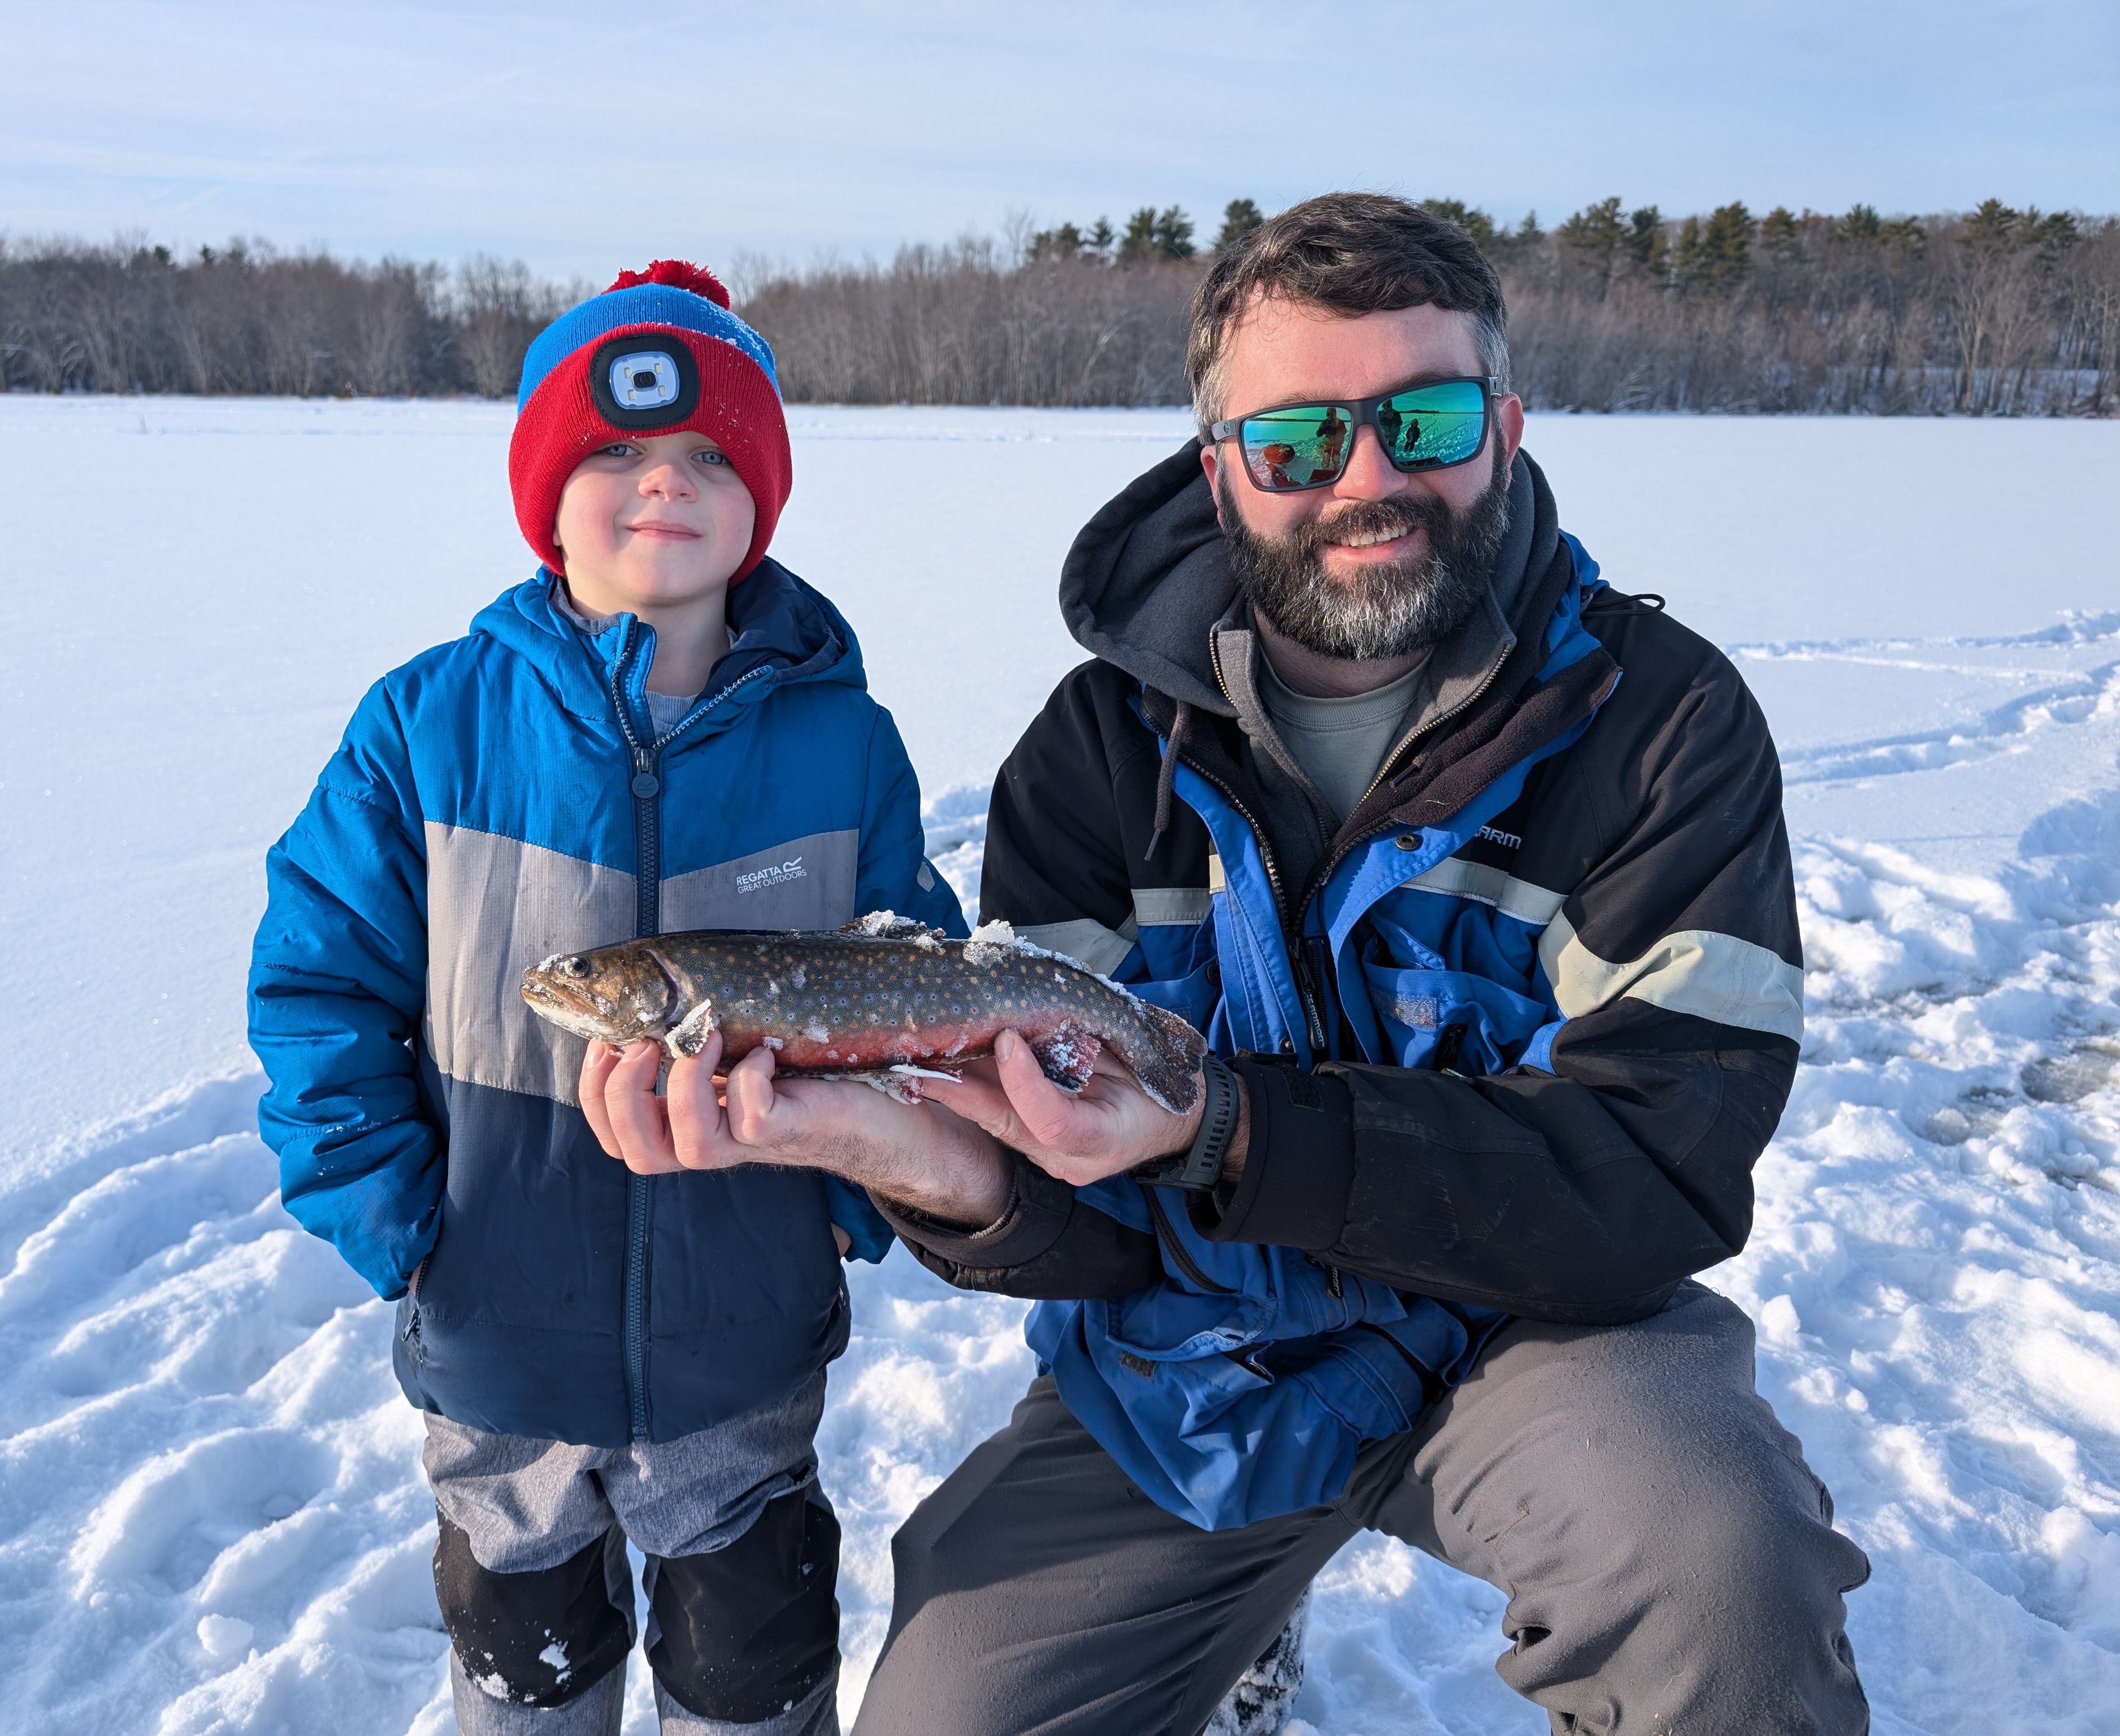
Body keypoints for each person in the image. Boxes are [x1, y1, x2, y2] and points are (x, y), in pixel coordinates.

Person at [583, 197, 1874, 1735]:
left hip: (1543, 1331)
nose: (1368, 479)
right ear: (1219, 470)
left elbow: (1659, 1165)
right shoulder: (1091, 757)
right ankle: (1241, 1603)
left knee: (1720, 1589)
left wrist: (1229, 1129)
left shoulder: (1659, 726)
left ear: (1508, 428)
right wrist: (928, 1164)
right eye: (1298, 440)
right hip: (1197, 1366)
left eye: (1426, 419)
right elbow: (1086, 1220)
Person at [247, 259, 963, 1736]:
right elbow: (318, 985)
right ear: (545, 493)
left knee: (751, 1676)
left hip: (743, 1356)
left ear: (762, 500)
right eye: (617, 451)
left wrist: (847, 1203)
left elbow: (913, 995)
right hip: (495, 1351)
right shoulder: (428, 727)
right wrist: (396, 1222)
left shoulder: (845, 746)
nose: (665, 482)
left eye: (711, 455)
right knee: (526, 1675)